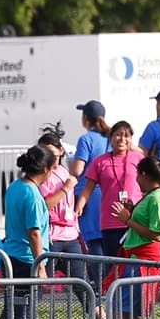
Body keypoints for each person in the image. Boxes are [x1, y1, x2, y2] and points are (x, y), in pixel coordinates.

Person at [102, 156, 160, 319]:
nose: (137, 182)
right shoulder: (151, 196)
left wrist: (128, 220)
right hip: (135, 258)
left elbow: (156, 232)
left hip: (143, 260)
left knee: (121, 308)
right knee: (125, 310)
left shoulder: (158, 197)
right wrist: (133, 211)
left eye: (137, 177)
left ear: (144, 175)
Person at [0, 145, 53, 319]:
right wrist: (40, 265)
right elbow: (34, 233)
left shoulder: (15, 187)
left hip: (11, 255)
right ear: (47, 169)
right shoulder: (31, 193)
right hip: (26, 260)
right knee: (24, 312)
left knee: (12, 309)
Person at [75, 121, 143, 260]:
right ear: (111, 138)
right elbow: (88, 188)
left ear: (131, 139)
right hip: (110, 221)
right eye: (118, 135)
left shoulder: (138, 159)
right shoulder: (100, 161)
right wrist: (79, 206)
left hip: (135, 218)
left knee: (135, 263)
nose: (122, 139)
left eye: (126, 136)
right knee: (114, 265)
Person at [36, 130, 88, 308]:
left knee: (84, 288)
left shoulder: (66, 172)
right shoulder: (42, 176)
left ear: (60, 151)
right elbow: (44, 207)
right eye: (44, 151)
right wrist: (65, 189)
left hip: (71, 237)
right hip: (52, 237)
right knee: (39, 287)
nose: (48, 155)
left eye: (52, 151)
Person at [72, 101, 110, 289]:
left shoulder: (86, 139)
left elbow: (78, 170)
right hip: (107, 193)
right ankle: (111, 284)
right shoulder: (110, 137)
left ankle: (101, 285)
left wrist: (70, 162)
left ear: (86, 118)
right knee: (108, 242)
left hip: (88, 194)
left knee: (94, 243)